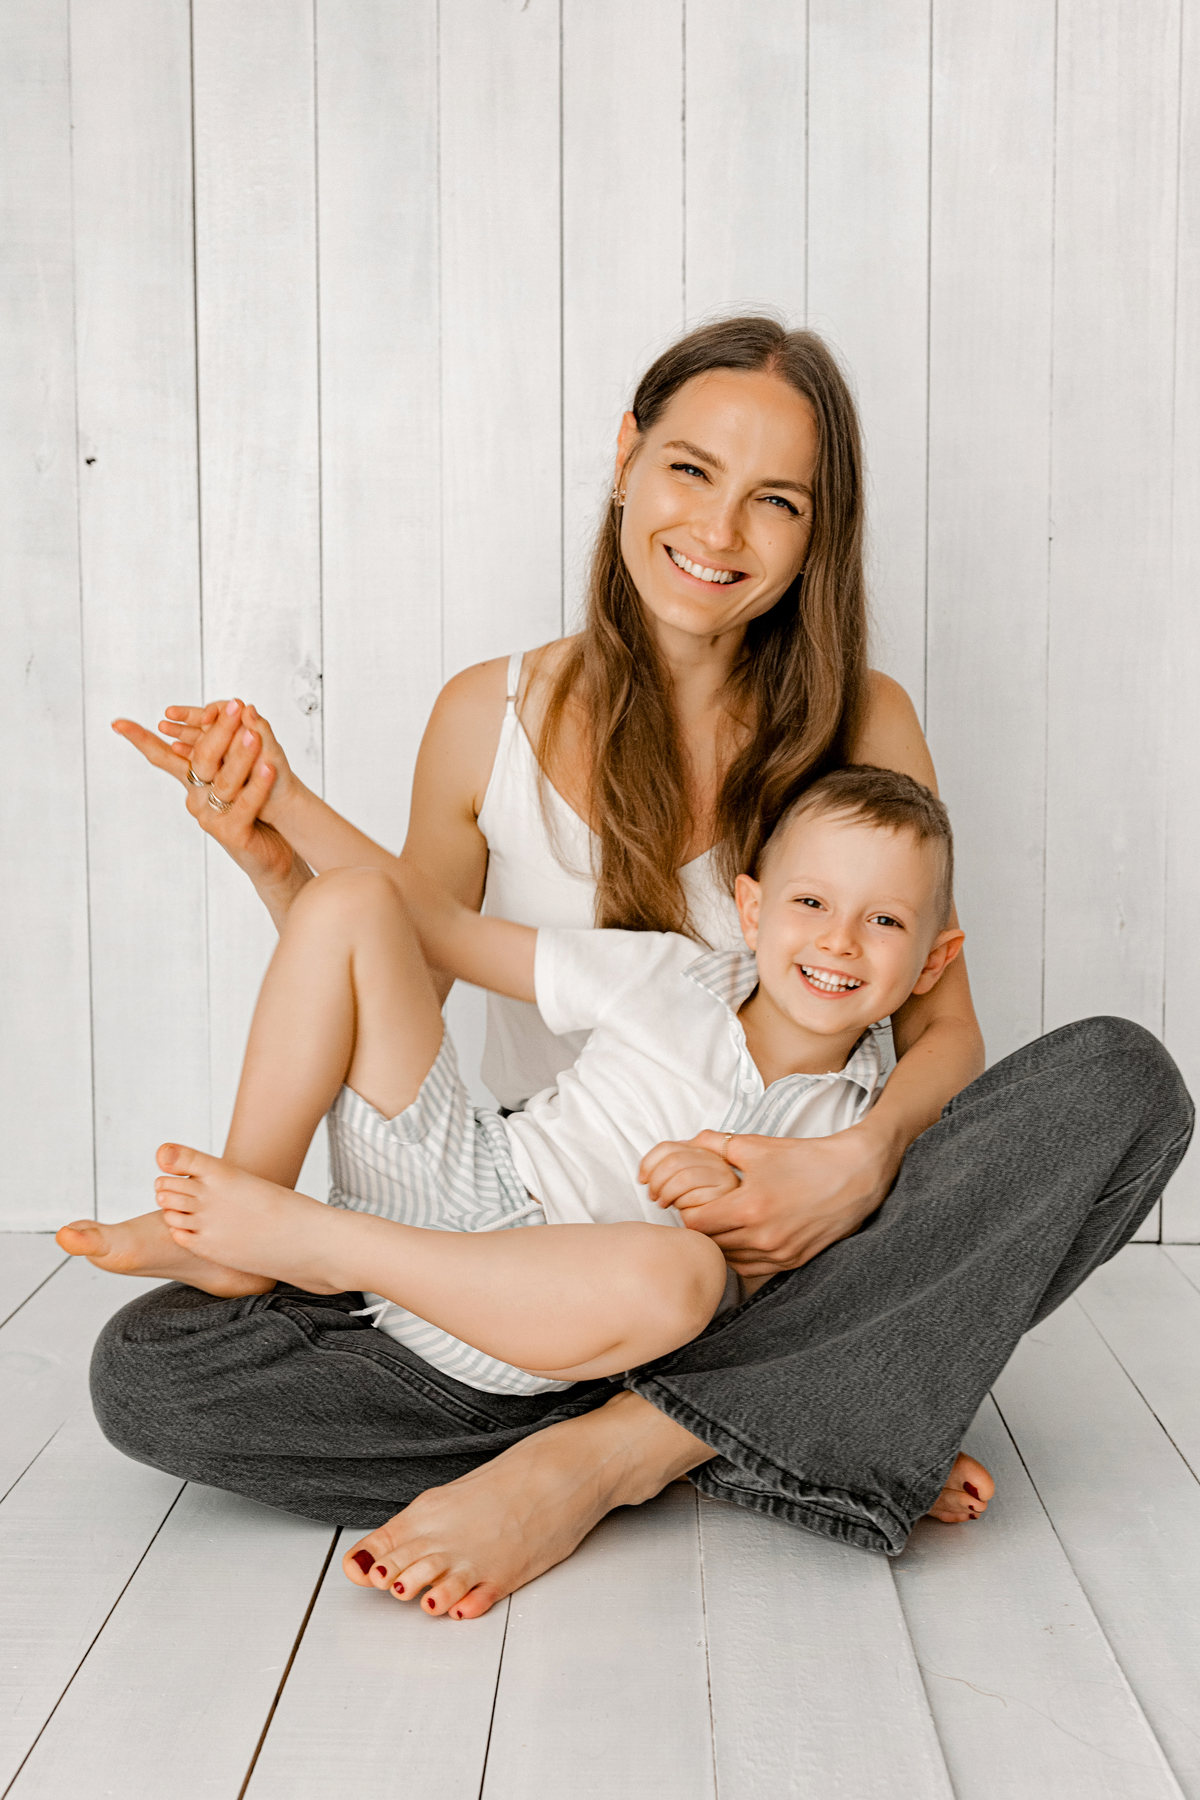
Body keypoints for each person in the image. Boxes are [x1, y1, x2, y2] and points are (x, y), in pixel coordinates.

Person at [67, 317, 1192, 1622]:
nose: (720, 529)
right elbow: (400, 967)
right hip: (502, 1220)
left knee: (1119, 1084)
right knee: (147, 1371)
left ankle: (611, 1454)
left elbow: (945, 1036)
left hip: (746, 1270)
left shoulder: (864, 721)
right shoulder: (486, 718)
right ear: (626, 457)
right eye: (692, 470)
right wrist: (279, 851)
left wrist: (859, 1159)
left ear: (817, 533)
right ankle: (781, 1417)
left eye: (777, 501)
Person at [141, 767, 965, 1407]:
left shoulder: (864, 1129)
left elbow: (801, 1312)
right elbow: (446, 929)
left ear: (934, 960)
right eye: (811, 901)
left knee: (682, 1273)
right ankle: (235, 1224)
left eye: (884, 921)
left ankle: (315, 1243)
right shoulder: (667, 973)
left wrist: (725, 1212)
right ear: (751, 911)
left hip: (532, 1314)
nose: (839, 941)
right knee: (352, 900)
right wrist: (282, 803)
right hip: (452, 1173)